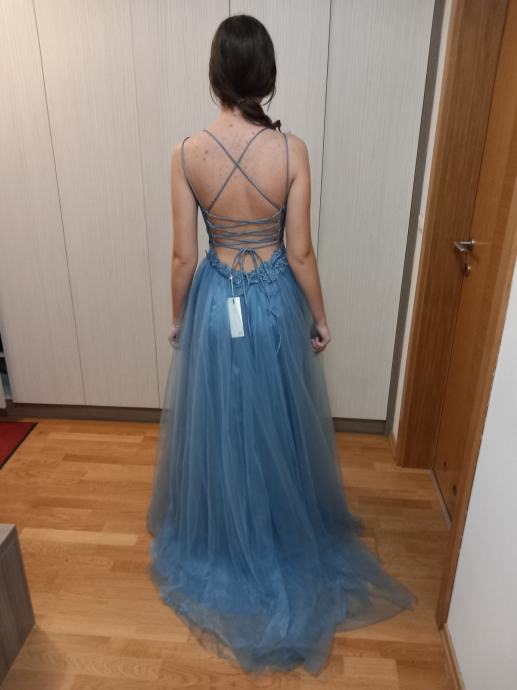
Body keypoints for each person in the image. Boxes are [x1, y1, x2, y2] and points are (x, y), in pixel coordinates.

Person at [146, 13, 417, 677]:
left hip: (216, 305)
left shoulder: (185, 153)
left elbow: (183, 257)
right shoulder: (291, 151)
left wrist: (179, 319)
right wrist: (319, 317)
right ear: (266, 74)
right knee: (278, 422)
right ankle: (280, 532)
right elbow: (299, 252)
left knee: (225, 425)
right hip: (272, 305)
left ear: (215, 73)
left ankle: (229, 536)